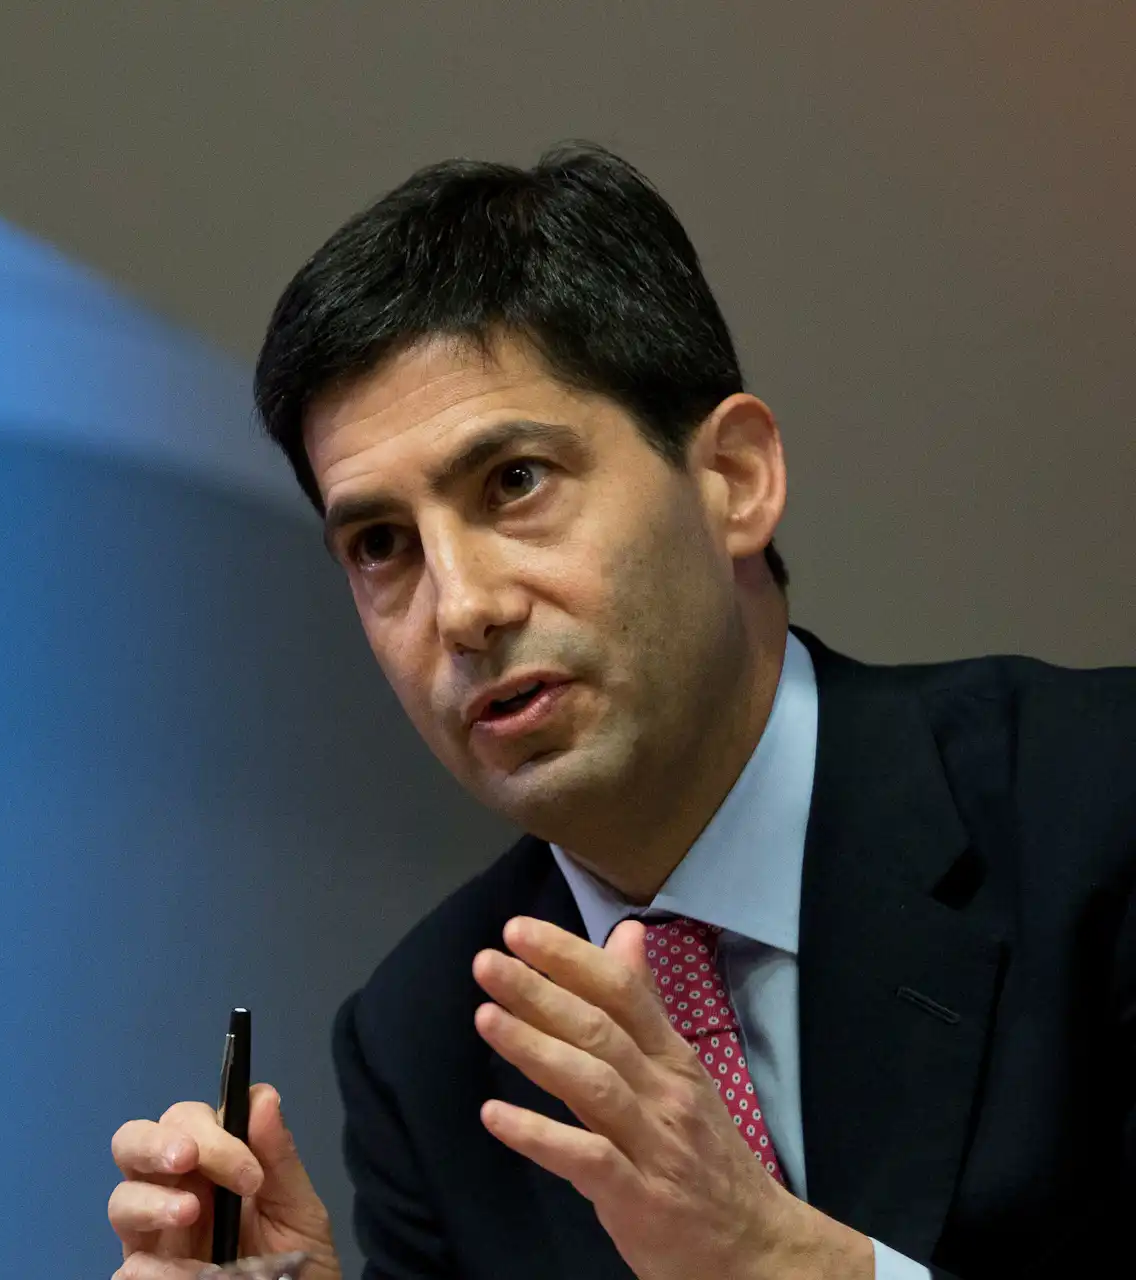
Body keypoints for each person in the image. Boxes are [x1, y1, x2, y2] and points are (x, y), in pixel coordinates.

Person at [106, 145, 1136, 1279]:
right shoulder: (426, 1041)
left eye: (515, 481)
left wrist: (778, 1262)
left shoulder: (1099, 804)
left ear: (735, 478)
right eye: (382, 544)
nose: (463, 608)